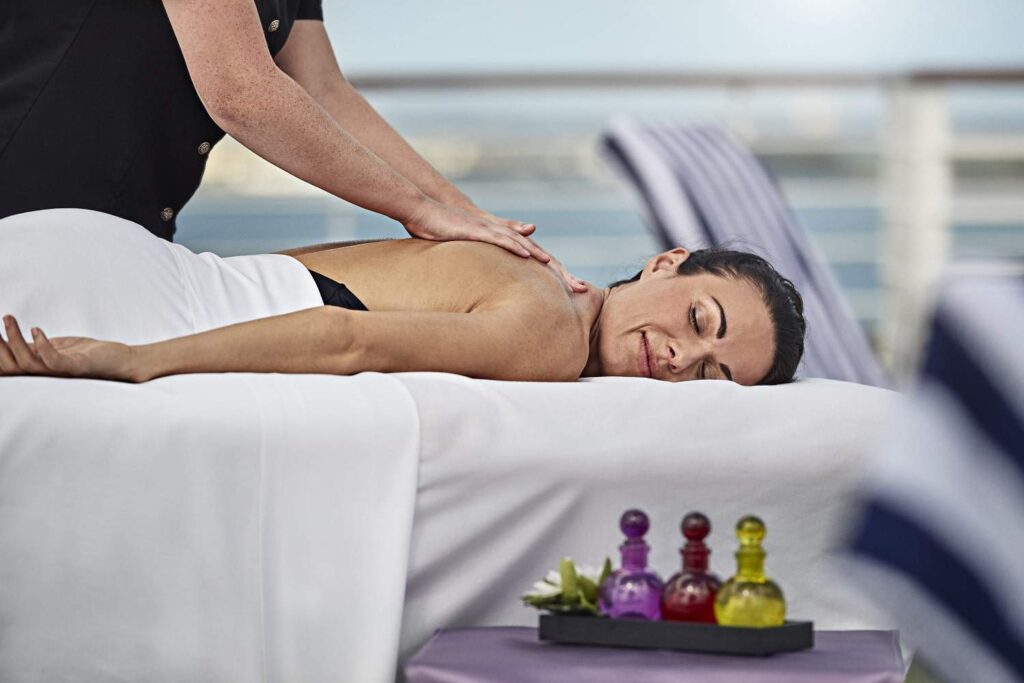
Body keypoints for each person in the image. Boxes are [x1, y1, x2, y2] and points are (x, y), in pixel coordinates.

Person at [0, 0, 586, 293]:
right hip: (27, 214)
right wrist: (416, 209)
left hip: (118, 236)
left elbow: (322, 89)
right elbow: (241, 91)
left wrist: (469, 216)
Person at [0, 223, 806, 385]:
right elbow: (346, 338)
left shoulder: (536, 270)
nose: (683, 356)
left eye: (712, 376)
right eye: (701, 320)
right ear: (666, 263)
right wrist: (135, 359)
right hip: (150, 306)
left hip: (124, 258)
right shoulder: (552, 333)